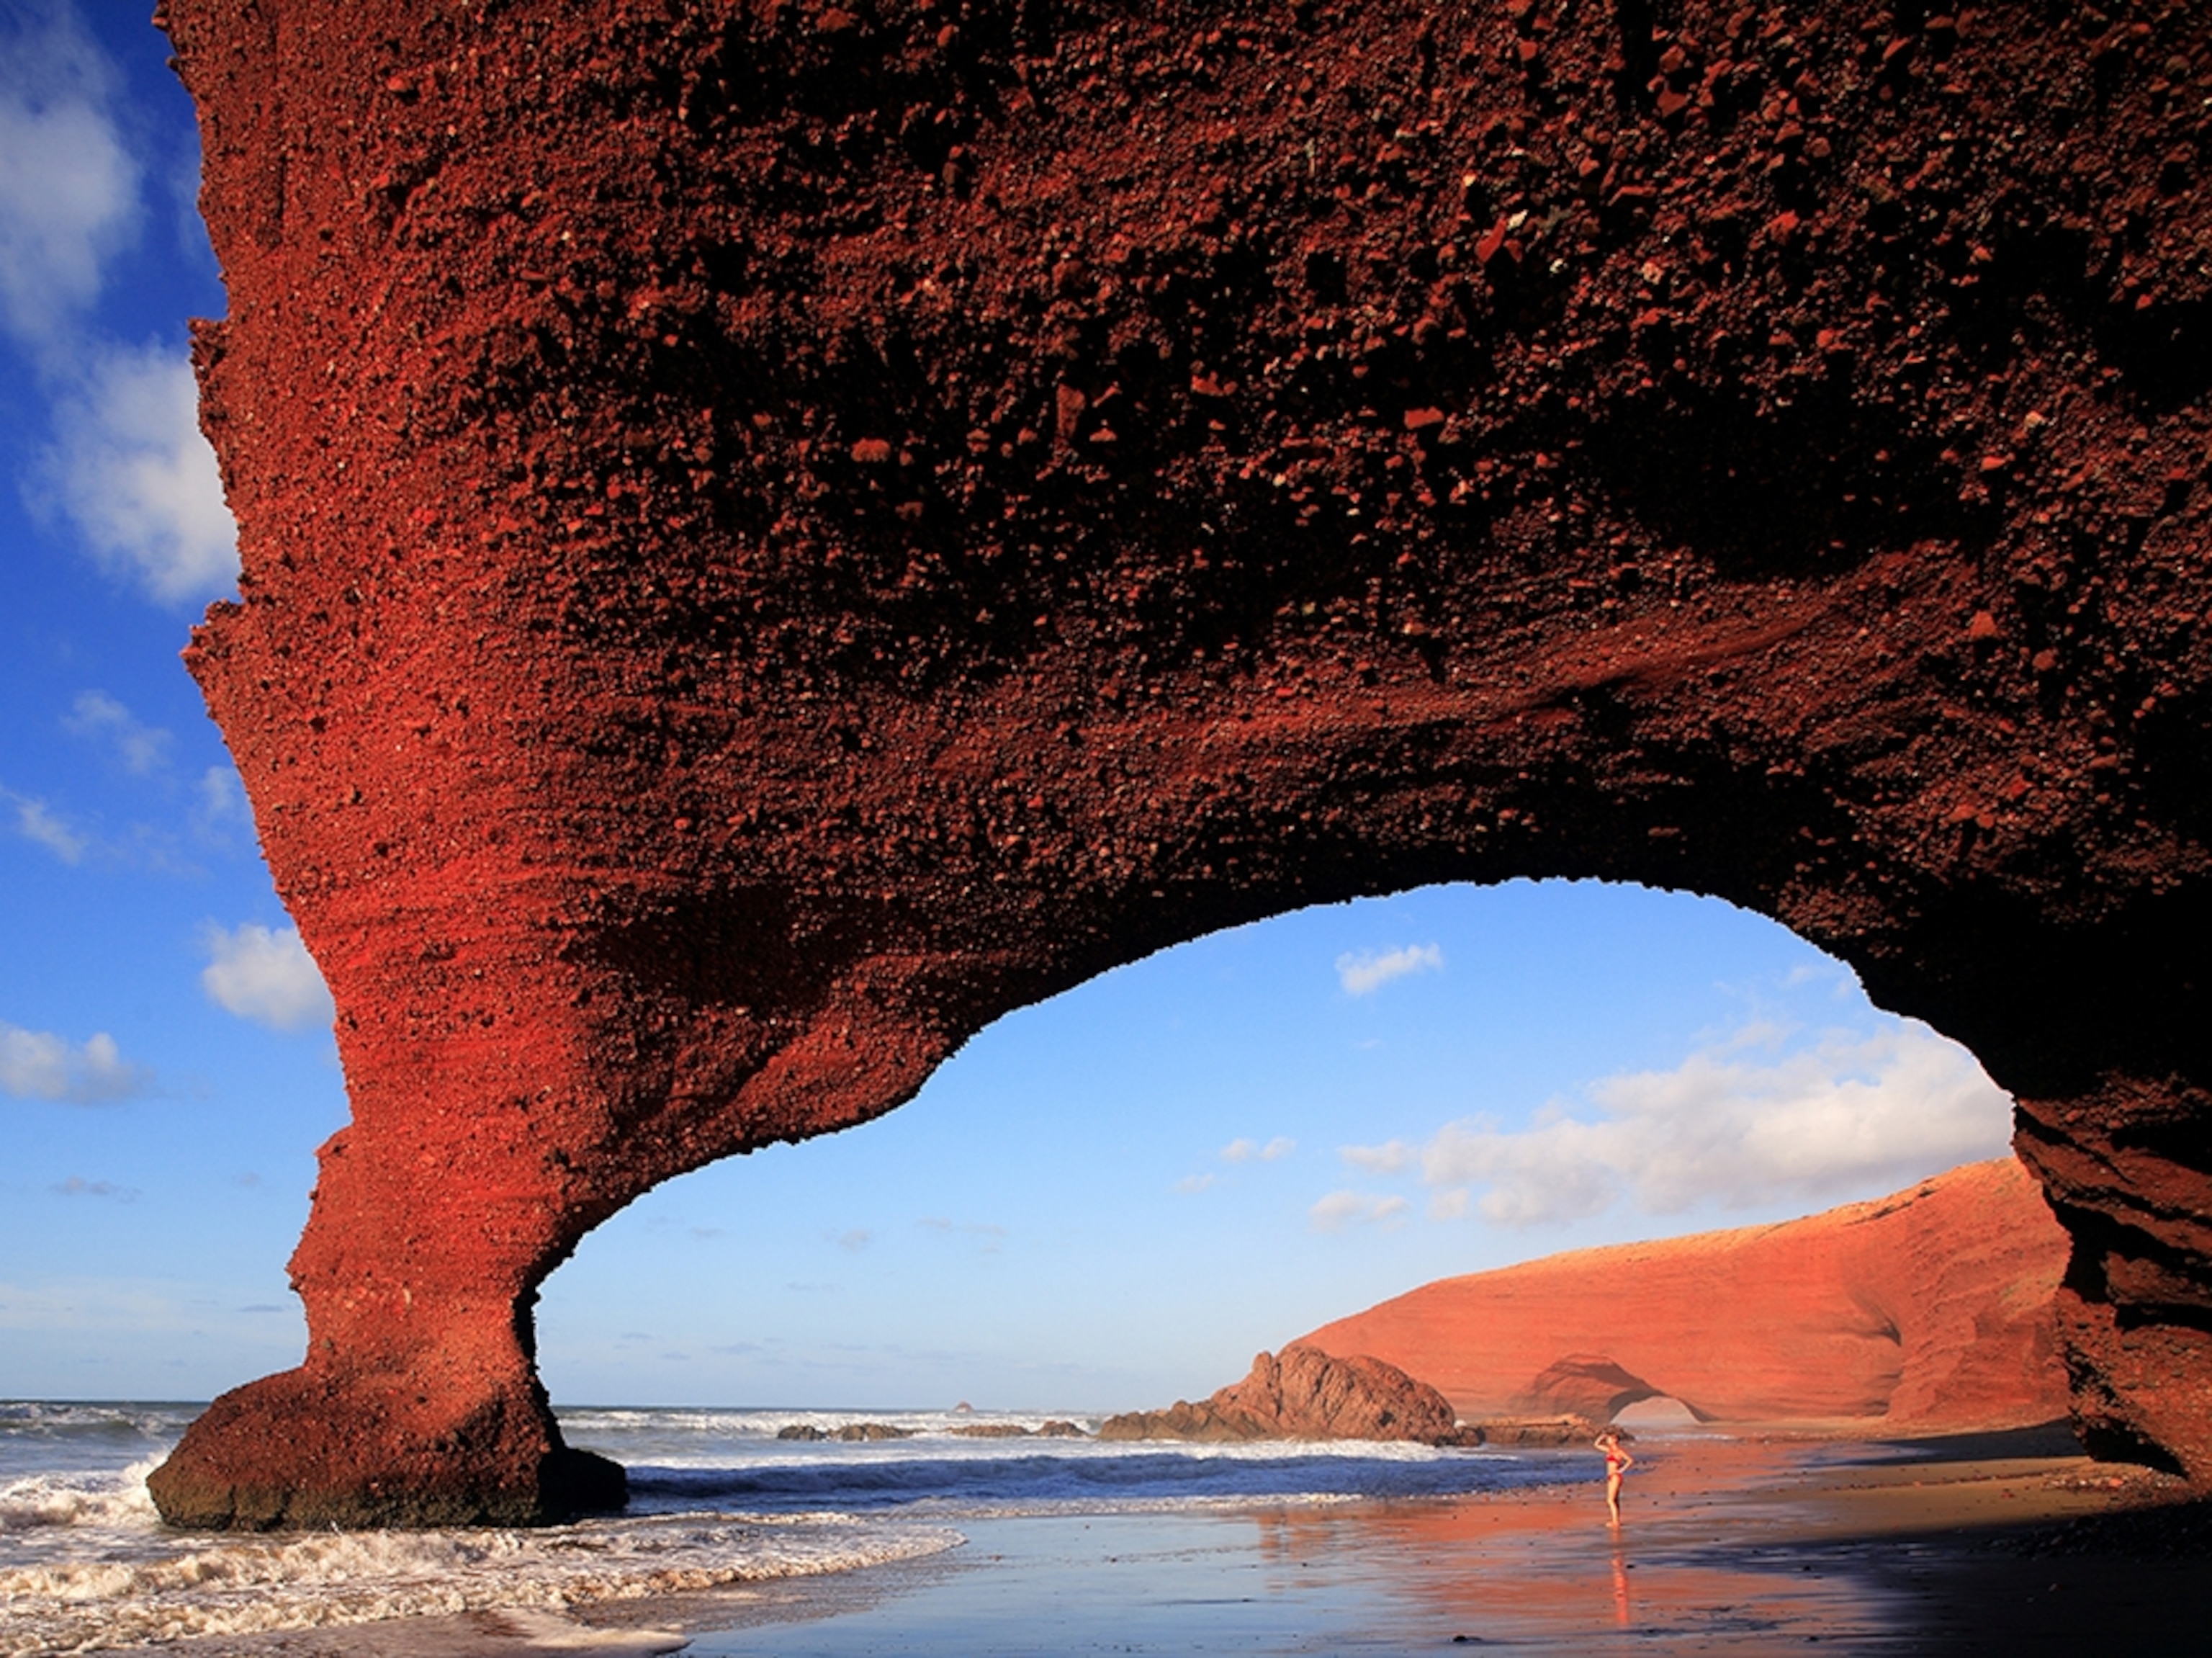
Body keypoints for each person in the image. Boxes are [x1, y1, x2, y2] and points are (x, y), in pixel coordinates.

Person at [1594, 1428, 1635, 1527]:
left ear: (1615, 1440)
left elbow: (1630, 1460)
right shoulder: (1609, 1450)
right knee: (1615, 1500)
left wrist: (1621, 1470)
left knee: (1610, 1500)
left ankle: (1615, 1522)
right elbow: (1596, 1445)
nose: (1607, 1441)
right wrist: (1602, 1437)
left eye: (1609, 1439)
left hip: (1615, 1476)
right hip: (1611, 1476)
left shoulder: (1619, 1451)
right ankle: (1616, 1520)